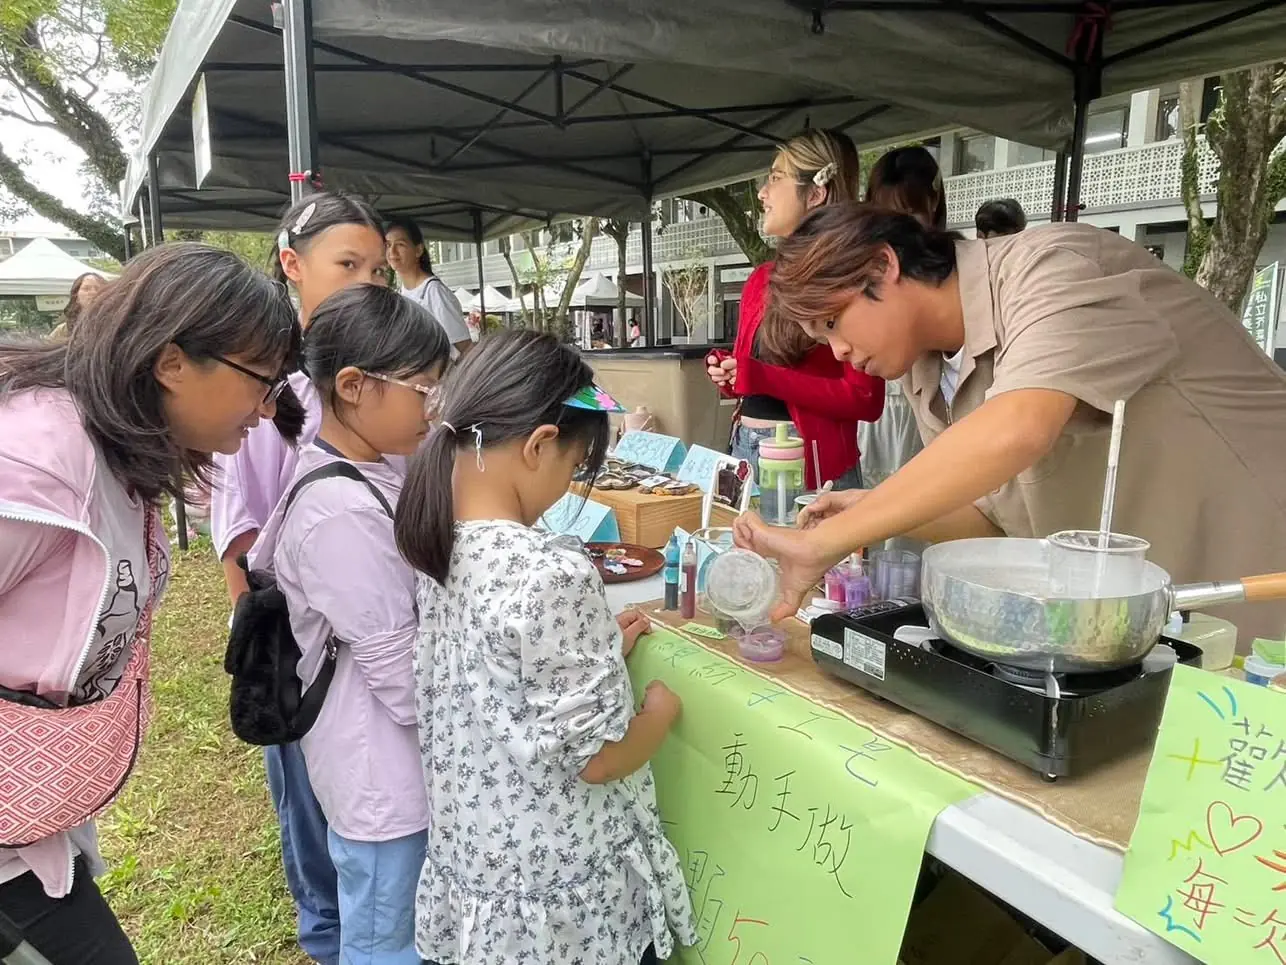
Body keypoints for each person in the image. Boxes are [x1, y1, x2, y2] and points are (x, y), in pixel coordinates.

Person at [733, 204, 1286, 642]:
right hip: (1146, 607)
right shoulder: (926, 369)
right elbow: (995, 521)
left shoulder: (1050, 267)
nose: (841, 350)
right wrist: (871, 511)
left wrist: (830, 539)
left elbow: (1018, 429)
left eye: (833, 322)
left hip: (1254, 567)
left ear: (884, 265)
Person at [0, 243, 298, 965]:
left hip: (33, 827)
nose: (268, 407)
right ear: (170, 362)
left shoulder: (112, 446)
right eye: (259, 380)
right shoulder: (42, 460)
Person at [394, 330, 698, 965]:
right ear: (538, 448)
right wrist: (659, 713)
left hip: (483, 881)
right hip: (564, 904)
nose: (569, 487)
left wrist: (594, 655)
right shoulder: (550, 572)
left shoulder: (440, 547)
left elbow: (501, 684)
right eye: (573, 468)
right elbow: (601, 760)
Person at [210, 191, 388, 965]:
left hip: (367, 638)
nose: (365, 283)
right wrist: (274, 660)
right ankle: (326, 935)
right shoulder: (268, 392)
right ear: (292, 264)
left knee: (358, 803)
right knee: (308, 808)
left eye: (378, 270)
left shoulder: (377, 373)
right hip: (298, 646)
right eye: (347, 264)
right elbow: (240, 537)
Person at [248, 285, 449, 965]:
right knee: (387, 942)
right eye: (422, 387)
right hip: (383, 785)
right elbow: (401, 679)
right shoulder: (338, 509)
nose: (433, 404)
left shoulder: (373, 469)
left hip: (403, 771)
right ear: (355, 386)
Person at [708, 129, 884, 491]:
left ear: (816, 193)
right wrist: (730, 375)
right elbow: (749, 377)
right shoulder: (760, 279)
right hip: (744, 449)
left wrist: (760, 376)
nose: (762, 192)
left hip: (811, 463)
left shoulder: (849, 274)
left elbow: (866, 399)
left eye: (775, 177)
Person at [856, 146, 949, 491]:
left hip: (922, 400)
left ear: (934, 203)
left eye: (910, 212)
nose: (899, 227)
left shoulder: (948, 266)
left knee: (915, 484)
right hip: (879, 400)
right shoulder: (865, 265)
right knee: (871, 483)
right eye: (886, 213)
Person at [384, 218, 474, 357]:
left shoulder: (434, 292)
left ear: (418, 250)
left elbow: (465, 347)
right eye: (388, 245)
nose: (392, 252)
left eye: (400, 244)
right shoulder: (400, 294)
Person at [49, 271, 108, 341]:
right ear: (76, 296)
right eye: (86, 288)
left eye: (98, 289)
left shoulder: (113, 326)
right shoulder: (62, 331)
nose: (93, 292)